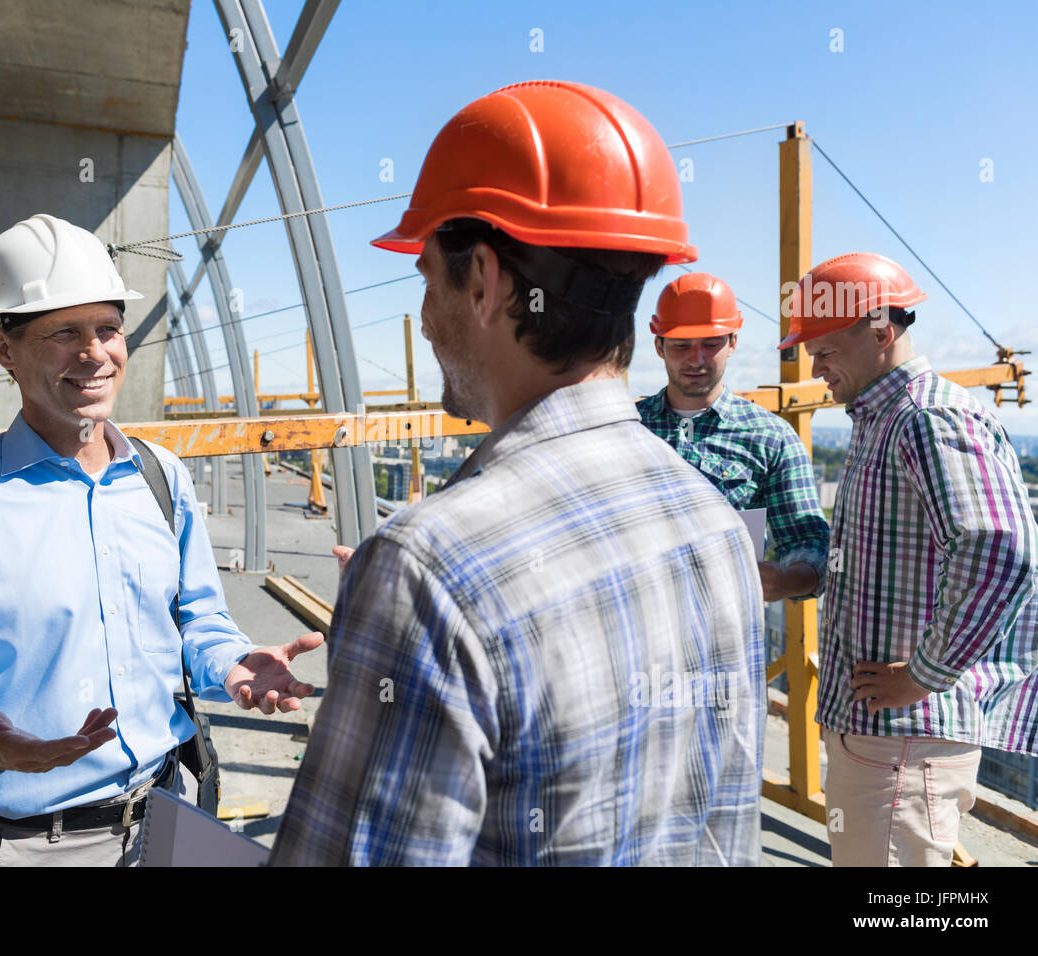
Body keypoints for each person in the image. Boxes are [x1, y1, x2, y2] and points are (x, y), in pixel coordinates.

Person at [269, 81, 766, 866]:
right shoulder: (710, 518)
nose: (426, 317)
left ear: (484, 282)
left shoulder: (426, 568)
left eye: (428, 278)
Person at [0, 213, 321, 866]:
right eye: (65, 333)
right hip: (26, 844)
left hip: (168, 815)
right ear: (6, 349)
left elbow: (196, 619)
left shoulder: (159, 478)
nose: (95, 354)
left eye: (108, 329)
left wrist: (230, 662)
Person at [782, 251, 1038, 866]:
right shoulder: (884, 416)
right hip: (885, 741)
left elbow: (998, 548)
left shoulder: (924, 416)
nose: (814, 366)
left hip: (904, 742)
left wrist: (923, 675)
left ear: (880, 329)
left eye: (824, 349)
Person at [638, 272, 829, 602]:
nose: (696, 360)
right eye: (681, 346)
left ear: (733, 343)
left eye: (711, 344)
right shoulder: (627, 429)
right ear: (659, 346)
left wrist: (787, 579)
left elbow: (809, 539)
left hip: (725, 640)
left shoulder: (772, 437)